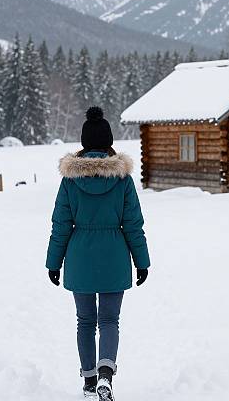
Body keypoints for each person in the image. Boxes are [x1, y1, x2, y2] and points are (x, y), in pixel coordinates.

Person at [46, 106, 150, 401]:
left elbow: (61, 225)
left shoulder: (70, 180)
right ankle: (106, 375)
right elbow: (133, 224)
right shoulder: (123, 179)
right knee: (109, 320)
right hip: (114, 257)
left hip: (79, 258)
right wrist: (142, 262)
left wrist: (53, 263)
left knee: (85, 321)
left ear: (83, 143)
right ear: (108, 143)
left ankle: (89, 381)